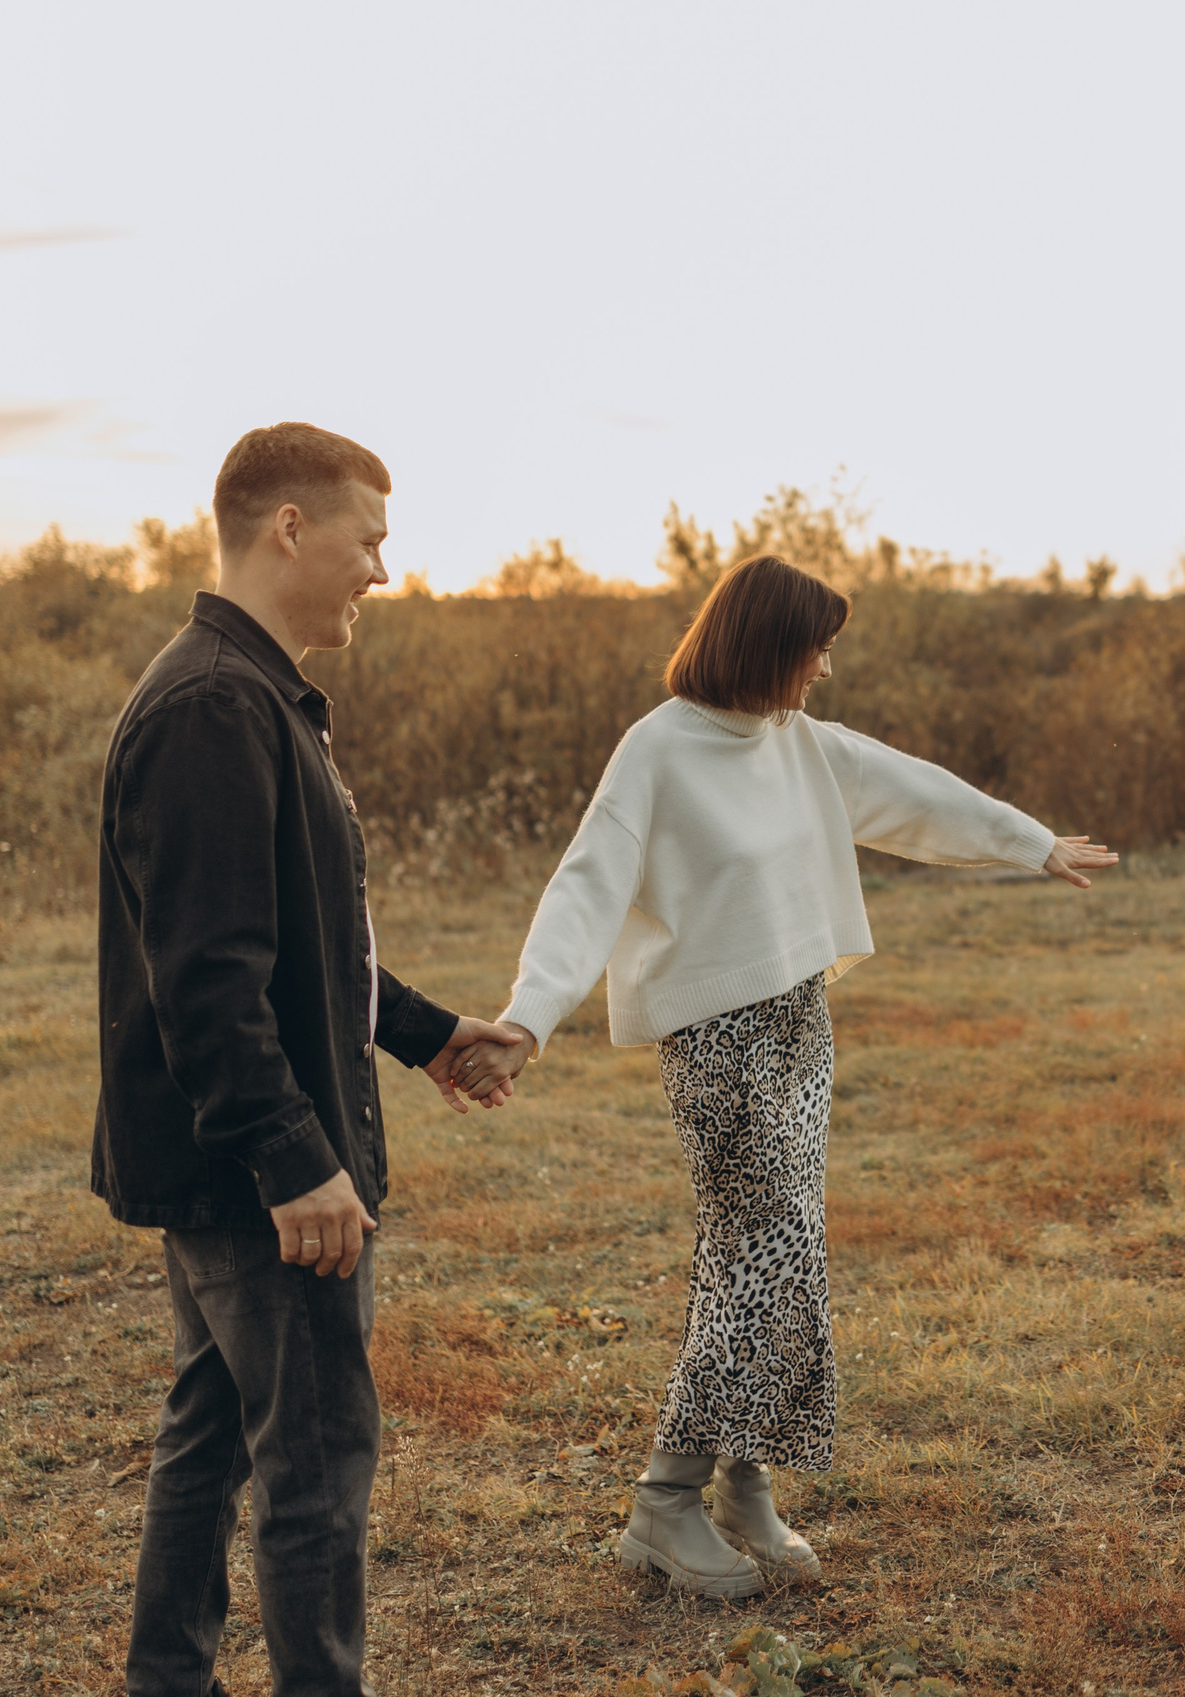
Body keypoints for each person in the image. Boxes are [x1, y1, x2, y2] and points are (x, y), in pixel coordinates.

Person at [449, 553, 1117, 1596]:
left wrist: (1028, 845)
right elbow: (587, 885)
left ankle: (740, 1484)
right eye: (814, 653)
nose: (823, 674)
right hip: (714, 1042)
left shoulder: (798, 744)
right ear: (764, 646)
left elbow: (916, 799)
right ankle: (664, 1503)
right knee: (757, 1254)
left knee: (781, 1252)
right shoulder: (658, 752)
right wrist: (528, 1019)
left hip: (801, 1020)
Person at [91, 422, 525, 1695]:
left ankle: (165, 1680)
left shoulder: (251, 692)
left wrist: (433, 1034)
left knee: (212, 1429)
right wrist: (296, 1165)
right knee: (315, 1467)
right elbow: (209, 984)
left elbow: (299, 949)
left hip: (240, 1164)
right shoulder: (217, 706)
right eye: (370, 541)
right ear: (291, 528)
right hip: (255, 1179)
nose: (382, 572)